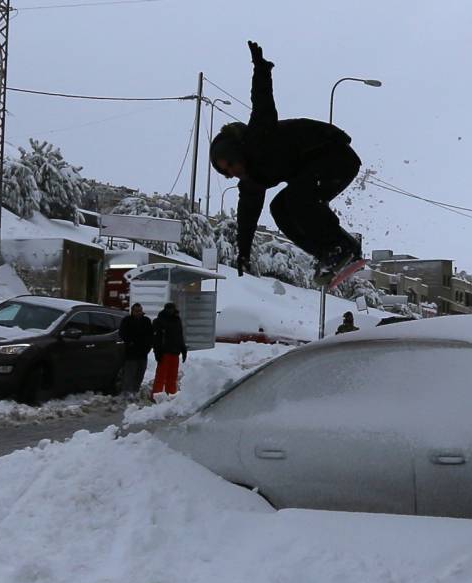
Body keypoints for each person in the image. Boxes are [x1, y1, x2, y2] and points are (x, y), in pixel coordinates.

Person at [210, 40, 362, 285]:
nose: (233, 172)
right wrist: (244, 252)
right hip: (314, 172)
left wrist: (261, 68)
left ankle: (342, 248)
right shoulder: (251, 182)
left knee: (298, 196)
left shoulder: (258, 137)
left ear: (236, 150)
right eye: (227, 172)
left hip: (336, 156)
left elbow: (261, 101)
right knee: (279, 207)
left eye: (230, 163)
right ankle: (328, 252)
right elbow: (246, 218)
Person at [152, 302, 187, 397]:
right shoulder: (159, 321)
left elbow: (180, 336)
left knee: (172, 377)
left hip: (175, 352)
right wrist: (157, 352)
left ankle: (171, 395)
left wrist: (183, 349)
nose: (170, 311)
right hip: (164, 352)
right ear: (165, 309)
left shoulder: (177, 320)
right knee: (161, 376)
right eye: (168, 309)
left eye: (172, 309)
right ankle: (156, 395)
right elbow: (156, 339)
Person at [119, 303, 153, 395]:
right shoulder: (127, 320)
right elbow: (122, 334)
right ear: (132, 311)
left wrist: (148, 347)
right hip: (131, 354)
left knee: (139, 375)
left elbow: (150, 335)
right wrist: (129, 343)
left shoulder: (146, 321)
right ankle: (127, 394)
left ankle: (135, 392)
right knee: (129, 375)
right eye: (136, 311)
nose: (138, 313)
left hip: (143, 353)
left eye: (140, 311)